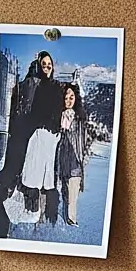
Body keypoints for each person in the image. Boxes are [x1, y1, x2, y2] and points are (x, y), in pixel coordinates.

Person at [0, 49, 56, 231]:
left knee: (13, 180)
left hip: (25, 140)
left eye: (49, 66)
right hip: (27, 141)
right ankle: (3, 224)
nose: (47, 68)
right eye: (44, 65)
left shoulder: (36, 85)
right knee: (17, 179)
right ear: (37, 66)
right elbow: (31, 115)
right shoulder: (34, 85)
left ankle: (4, 221)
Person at [19, 101, 61, 228]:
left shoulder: (40, 131)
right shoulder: (53, 134)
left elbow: (29, 150)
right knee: (40, 193)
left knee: (35, 193)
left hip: (38, 169)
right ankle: (37, 216)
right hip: (43, 169)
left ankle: (34, 215)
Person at [54, 80, 89, 229]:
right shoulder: (57, 116)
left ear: (76, 99)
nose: (68, 100)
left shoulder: (80, 118)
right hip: (61, 159)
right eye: (66, 97)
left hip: (74, 159)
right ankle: (61, 215)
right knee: (62, 190)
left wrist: (84, 158)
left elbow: (85, 140)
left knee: (73, 192)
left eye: (71, 97)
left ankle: (71, 219)